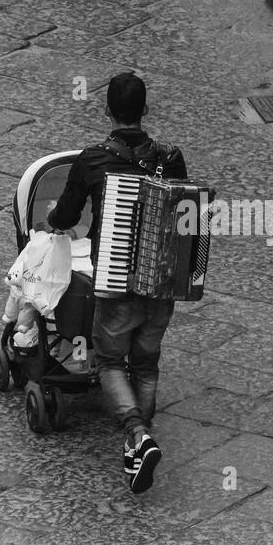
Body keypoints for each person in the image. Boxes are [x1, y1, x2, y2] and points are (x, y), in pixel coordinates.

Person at [44, 72, 187, 494]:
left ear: (107, 110)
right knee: (145, 361)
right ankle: (137, 444)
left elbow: (66, 217)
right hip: (161, 282)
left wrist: (54, 222)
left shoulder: (92, 160)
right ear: (145, 110)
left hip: (117, 280)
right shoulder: (172, 158)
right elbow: (186, 216)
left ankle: (137, 434)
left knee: (108, 361)